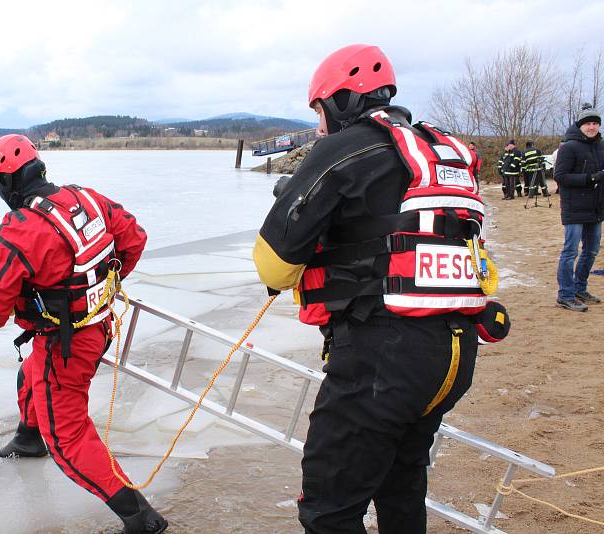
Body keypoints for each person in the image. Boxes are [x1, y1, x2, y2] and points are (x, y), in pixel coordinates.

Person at [253, 44, 506, 534]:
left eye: (319, 112)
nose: (319, 126)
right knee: (400, 485)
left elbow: (275, 265)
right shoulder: (437, 151)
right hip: (454, 352)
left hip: (381, 358)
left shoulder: (346, 147)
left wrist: (299, 210)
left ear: (338, 101)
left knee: (328, 508)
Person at [0, 134, 167, 533]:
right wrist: (95, 288)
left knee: (68, 440)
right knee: (31, 374)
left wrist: (39, 298)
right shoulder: (88, 199)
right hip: (100, 325)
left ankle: (141, 518)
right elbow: (134, 239)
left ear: (7, 184)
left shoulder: (17, 233)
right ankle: (28, 438)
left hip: (66, 345)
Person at [554, 105, 604, 312]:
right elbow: (560, 176)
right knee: (570, 252)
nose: (592, 127)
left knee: (591, 251)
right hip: (574, 209)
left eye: (595, 123)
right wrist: (589, 178)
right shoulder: (569, 147)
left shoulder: (601, 146)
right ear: (580, 126)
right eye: (588, 123)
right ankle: (565, 295)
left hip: (596, 208)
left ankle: (579, 288)